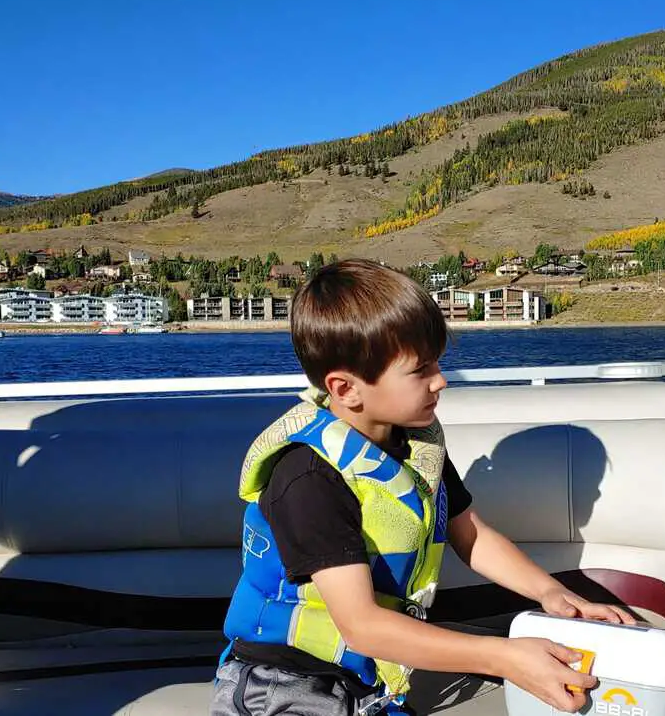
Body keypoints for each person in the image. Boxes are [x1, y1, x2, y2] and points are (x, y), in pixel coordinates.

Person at [212, 258, 635, 716]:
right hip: (285, 683)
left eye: (438, 363)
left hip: (369, 675)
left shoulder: (417, 447)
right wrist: (507, 659)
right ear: (347, 388)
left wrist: (551, 593)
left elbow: (470, 534)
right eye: (420, 370)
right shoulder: (309, 476)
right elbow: (361, 627)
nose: (441, 380)